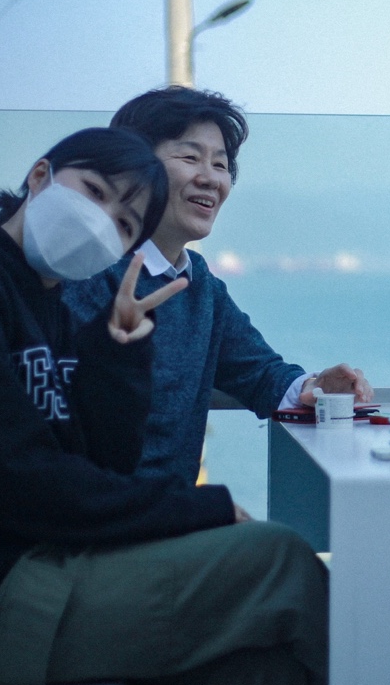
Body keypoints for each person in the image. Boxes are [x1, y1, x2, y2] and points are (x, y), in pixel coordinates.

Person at [0, 128, 327, 685]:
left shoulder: (50, 302)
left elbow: (99, 466)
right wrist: (202, 508)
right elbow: (12, 479)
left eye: (124, 224)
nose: (102, 223)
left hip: (37, 564)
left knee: (265, 672)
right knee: (280, 560)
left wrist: (117, 353)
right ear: (40, 177)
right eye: (95, 192)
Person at [65, 87, 373, 485]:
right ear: (133, 166)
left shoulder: (199, 283)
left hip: (170, 512)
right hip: (102, 513)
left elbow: (261, 374)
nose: (210, 178)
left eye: (220, 164)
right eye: (190, 158)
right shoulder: (88, 275)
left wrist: (316, 387)